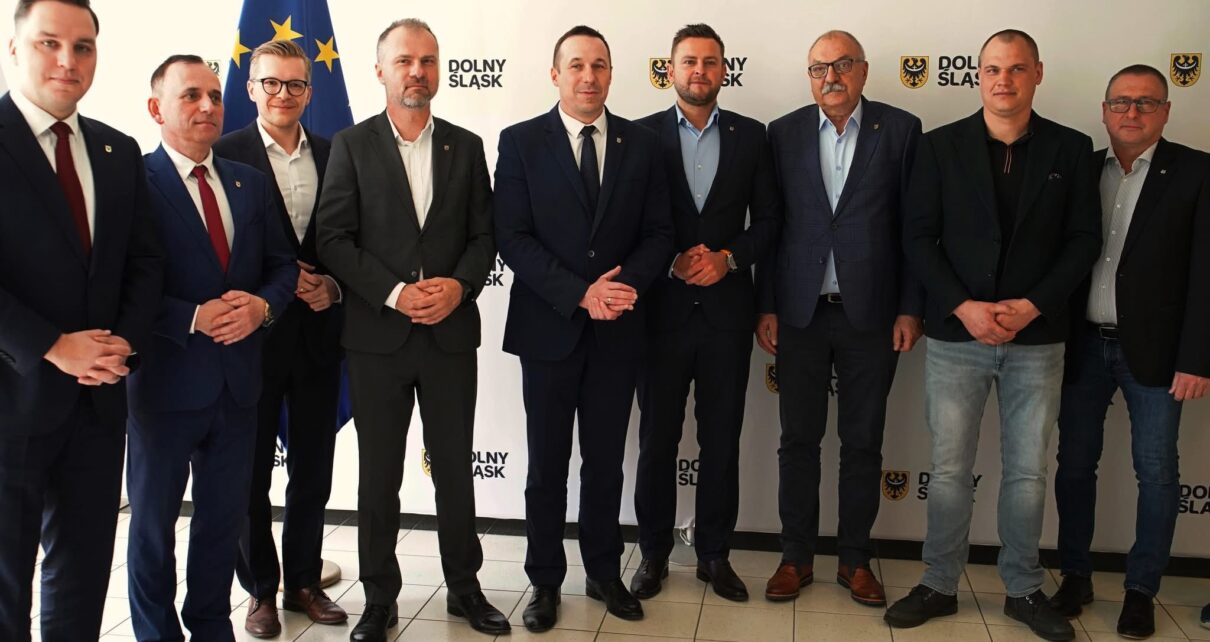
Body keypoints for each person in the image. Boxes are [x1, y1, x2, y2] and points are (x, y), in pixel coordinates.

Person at [886, 29, 1101, 642]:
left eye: (1016, 69)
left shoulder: (1071, 148)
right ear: (977, 76)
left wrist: (1032, 306)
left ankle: (1024, 588)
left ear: (1038, 73)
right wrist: (963, 307)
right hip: (958, 336)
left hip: (1038, 339)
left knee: (1028, 472)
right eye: (992, 69)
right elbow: (918, 236)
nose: (1003, 80)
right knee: (949, 469)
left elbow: (1083, 240)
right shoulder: (940, 146)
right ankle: (939, 583)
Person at [315, 18, 506, 641]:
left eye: (427, 60)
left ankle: (466, 588)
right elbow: (333, 239)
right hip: (377, 338)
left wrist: (459, 287)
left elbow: (485, 236)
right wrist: (396, 294)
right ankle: (379, 598)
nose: (417, 71)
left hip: (450, 335)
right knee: (379, 476)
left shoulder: (466, 146)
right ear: (381, 70)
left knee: (454, 468)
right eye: (404, 61)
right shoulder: (351, 145)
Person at [494, 24, 673, 632]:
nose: (588, 76)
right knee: (547, 465)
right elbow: (512, 235)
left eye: (599, 65)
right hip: (549, 330)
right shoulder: (520, 142)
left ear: (611, 73)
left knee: (605, 463)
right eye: (576, 65)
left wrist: (619, 291)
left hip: (618, 330)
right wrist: (580, 294)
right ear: (555, 74)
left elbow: (660, 234)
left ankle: (602, 571)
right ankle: (545, 581)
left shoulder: (643, 144)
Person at [0, 1, 161, 639]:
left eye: (83, 46)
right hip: (11, 401)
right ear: (15, 48)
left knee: (83, 573)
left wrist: (123, 343)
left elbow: (145, 262)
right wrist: (53, 345)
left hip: (98, 403)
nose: (68, 60)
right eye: (50, 43)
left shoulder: (117, 150)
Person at [125, 55, 297, 642]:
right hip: (164, 387)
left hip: (238, 386)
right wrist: (192, 317)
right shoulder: (134, 183)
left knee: (222, 523)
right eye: (191, 95)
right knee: (153, 527)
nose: (208, 106)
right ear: (157, 108)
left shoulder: (248, 181)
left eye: (216, 96)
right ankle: (156, 633)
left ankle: (209, 625)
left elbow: (281, 267)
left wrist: (262, 307)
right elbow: (120, 285)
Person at [755, 29, 923, 606]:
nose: (831, 76)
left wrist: (910, 308)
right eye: (819, 67)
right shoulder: (782, 133)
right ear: (809, 77)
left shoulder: (900, 130)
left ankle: (855, 560)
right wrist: (767, 305)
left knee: (863, 443)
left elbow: (913, 229)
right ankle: (795, 557)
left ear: (864, 71)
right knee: (797, 440)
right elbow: (771, 226)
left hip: (870, 316)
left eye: (843, 64)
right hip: (799, 314)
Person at [1049, 64, 1210, 640]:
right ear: (1104, 110)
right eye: (1121, 101)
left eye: (1146, 102)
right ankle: (1075, 577)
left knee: (1157, 471)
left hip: (1159, 354)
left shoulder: (1197, 172)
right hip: (1082, 345)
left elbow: (1206, 274)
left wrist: (1197, 358)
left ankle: (1141, 590)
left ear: (1167, 110)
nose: (1132, 112)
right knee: (1074, 465)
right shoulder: (1080, 169)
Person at [630, 22, 779, 604]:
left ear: (724, 71)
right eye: (689, 61)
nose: (700, 71)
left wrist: (728, 258)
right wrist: (670, 261)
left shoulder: (752, 136)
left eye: (710, 62)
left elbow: (769, 222)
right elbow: (628, 222)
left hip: (726, 315)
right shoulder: (639, 136)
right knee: (656, 441)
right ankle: (652, 554)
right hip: (660, 316)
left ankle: (715, 554)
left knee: (721, 440)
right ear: (670, 70)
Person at [212, 39, 346, 637]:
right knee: (249, 477)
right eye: (271, 82)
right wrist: (280, 287)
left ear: (310, 92)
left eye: (294, 84)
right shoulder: (222, 155)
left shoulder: (337, 153)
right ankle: (260, 591)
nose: (283, 94)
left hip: (319, 337)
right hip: (252, 341)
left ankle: (304, 583)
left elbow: (352, 238)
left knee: (313, 472)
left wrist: (334, 287)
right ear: (251, 88)